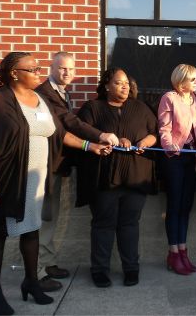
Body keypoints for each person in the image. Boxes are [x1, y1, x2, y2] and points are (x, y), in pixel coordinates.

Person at [0, 52, 109, 316]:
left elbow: (60, 133)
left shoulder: (41, 100)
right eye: (32, 69)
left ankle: (31, 282)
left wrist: (90, 146)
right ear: (14, 73)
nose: (38, 72)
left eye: (38, 68)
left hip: (36, 180)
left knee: (32, 231)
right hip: (6, 180)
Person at [35, 52, 119, 292]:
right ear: (52, 68)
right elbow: (67, 124)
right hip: (45, 165)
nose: (67, 73)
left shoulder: (62, 92)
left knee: (51, 216)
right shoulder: (44, 94)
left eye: (71, 69)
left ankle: (47, 263)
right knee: (43, 218)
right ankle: (38, 272)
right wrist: (99, 136)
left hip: (57, 165)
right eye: (62, 68)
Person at [76, 67, 158, 288]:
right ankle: (99, 270)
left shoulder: (141, 108)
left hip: (135, 176)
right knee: (103, 224)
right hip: (105, 178)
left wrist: (145, 142)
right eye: (119, 83)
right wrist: (109, 139)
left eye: (127, 83)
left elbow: (155, 133)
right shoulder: (93, 108)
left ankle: (131, 268)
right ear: (106, 86)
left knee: (130, 224)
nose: (125, 87)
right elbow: (81, 131)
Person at [158, 64, 196, 275]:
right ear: (181, 81)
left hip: (192, 158)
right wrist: (169, 145)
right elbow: (164, 128)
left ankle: (183, 252)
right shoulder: (169, 98)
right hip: (174, 157)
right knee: (175, 205)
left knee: (186, 206)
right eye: (193, 78)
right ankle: (173, 253)